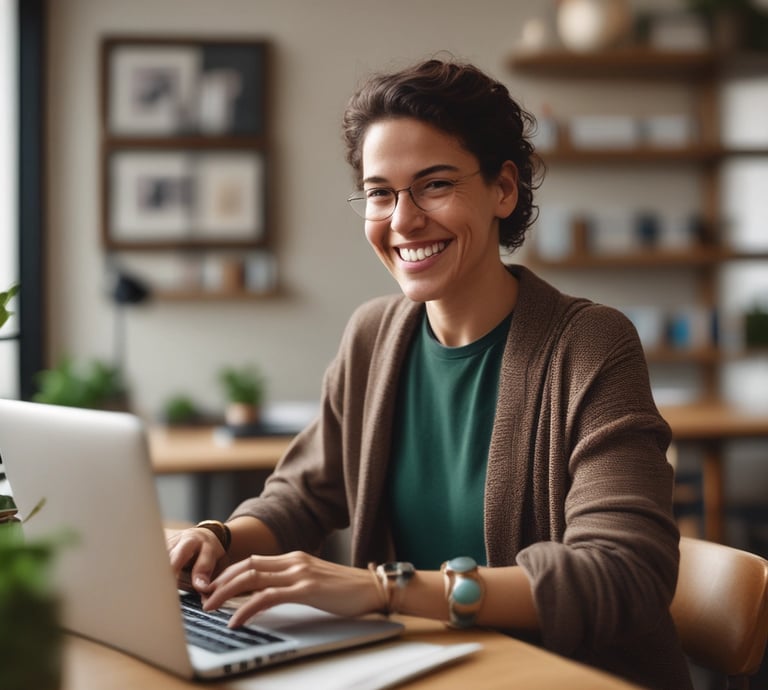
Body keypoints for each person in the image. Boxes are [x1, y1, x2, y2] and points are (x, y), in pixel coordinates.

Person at [168, 57, 693, 690]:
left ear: (504, 189)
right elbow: (304, 493)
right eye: (380, 192)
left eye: (435, 184)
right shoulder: (373, 335)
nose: (403, 220)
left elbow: (623, 573)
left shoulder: (589, 345)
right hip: (423, 672)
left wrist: (383, 590)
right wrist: (220, 539)